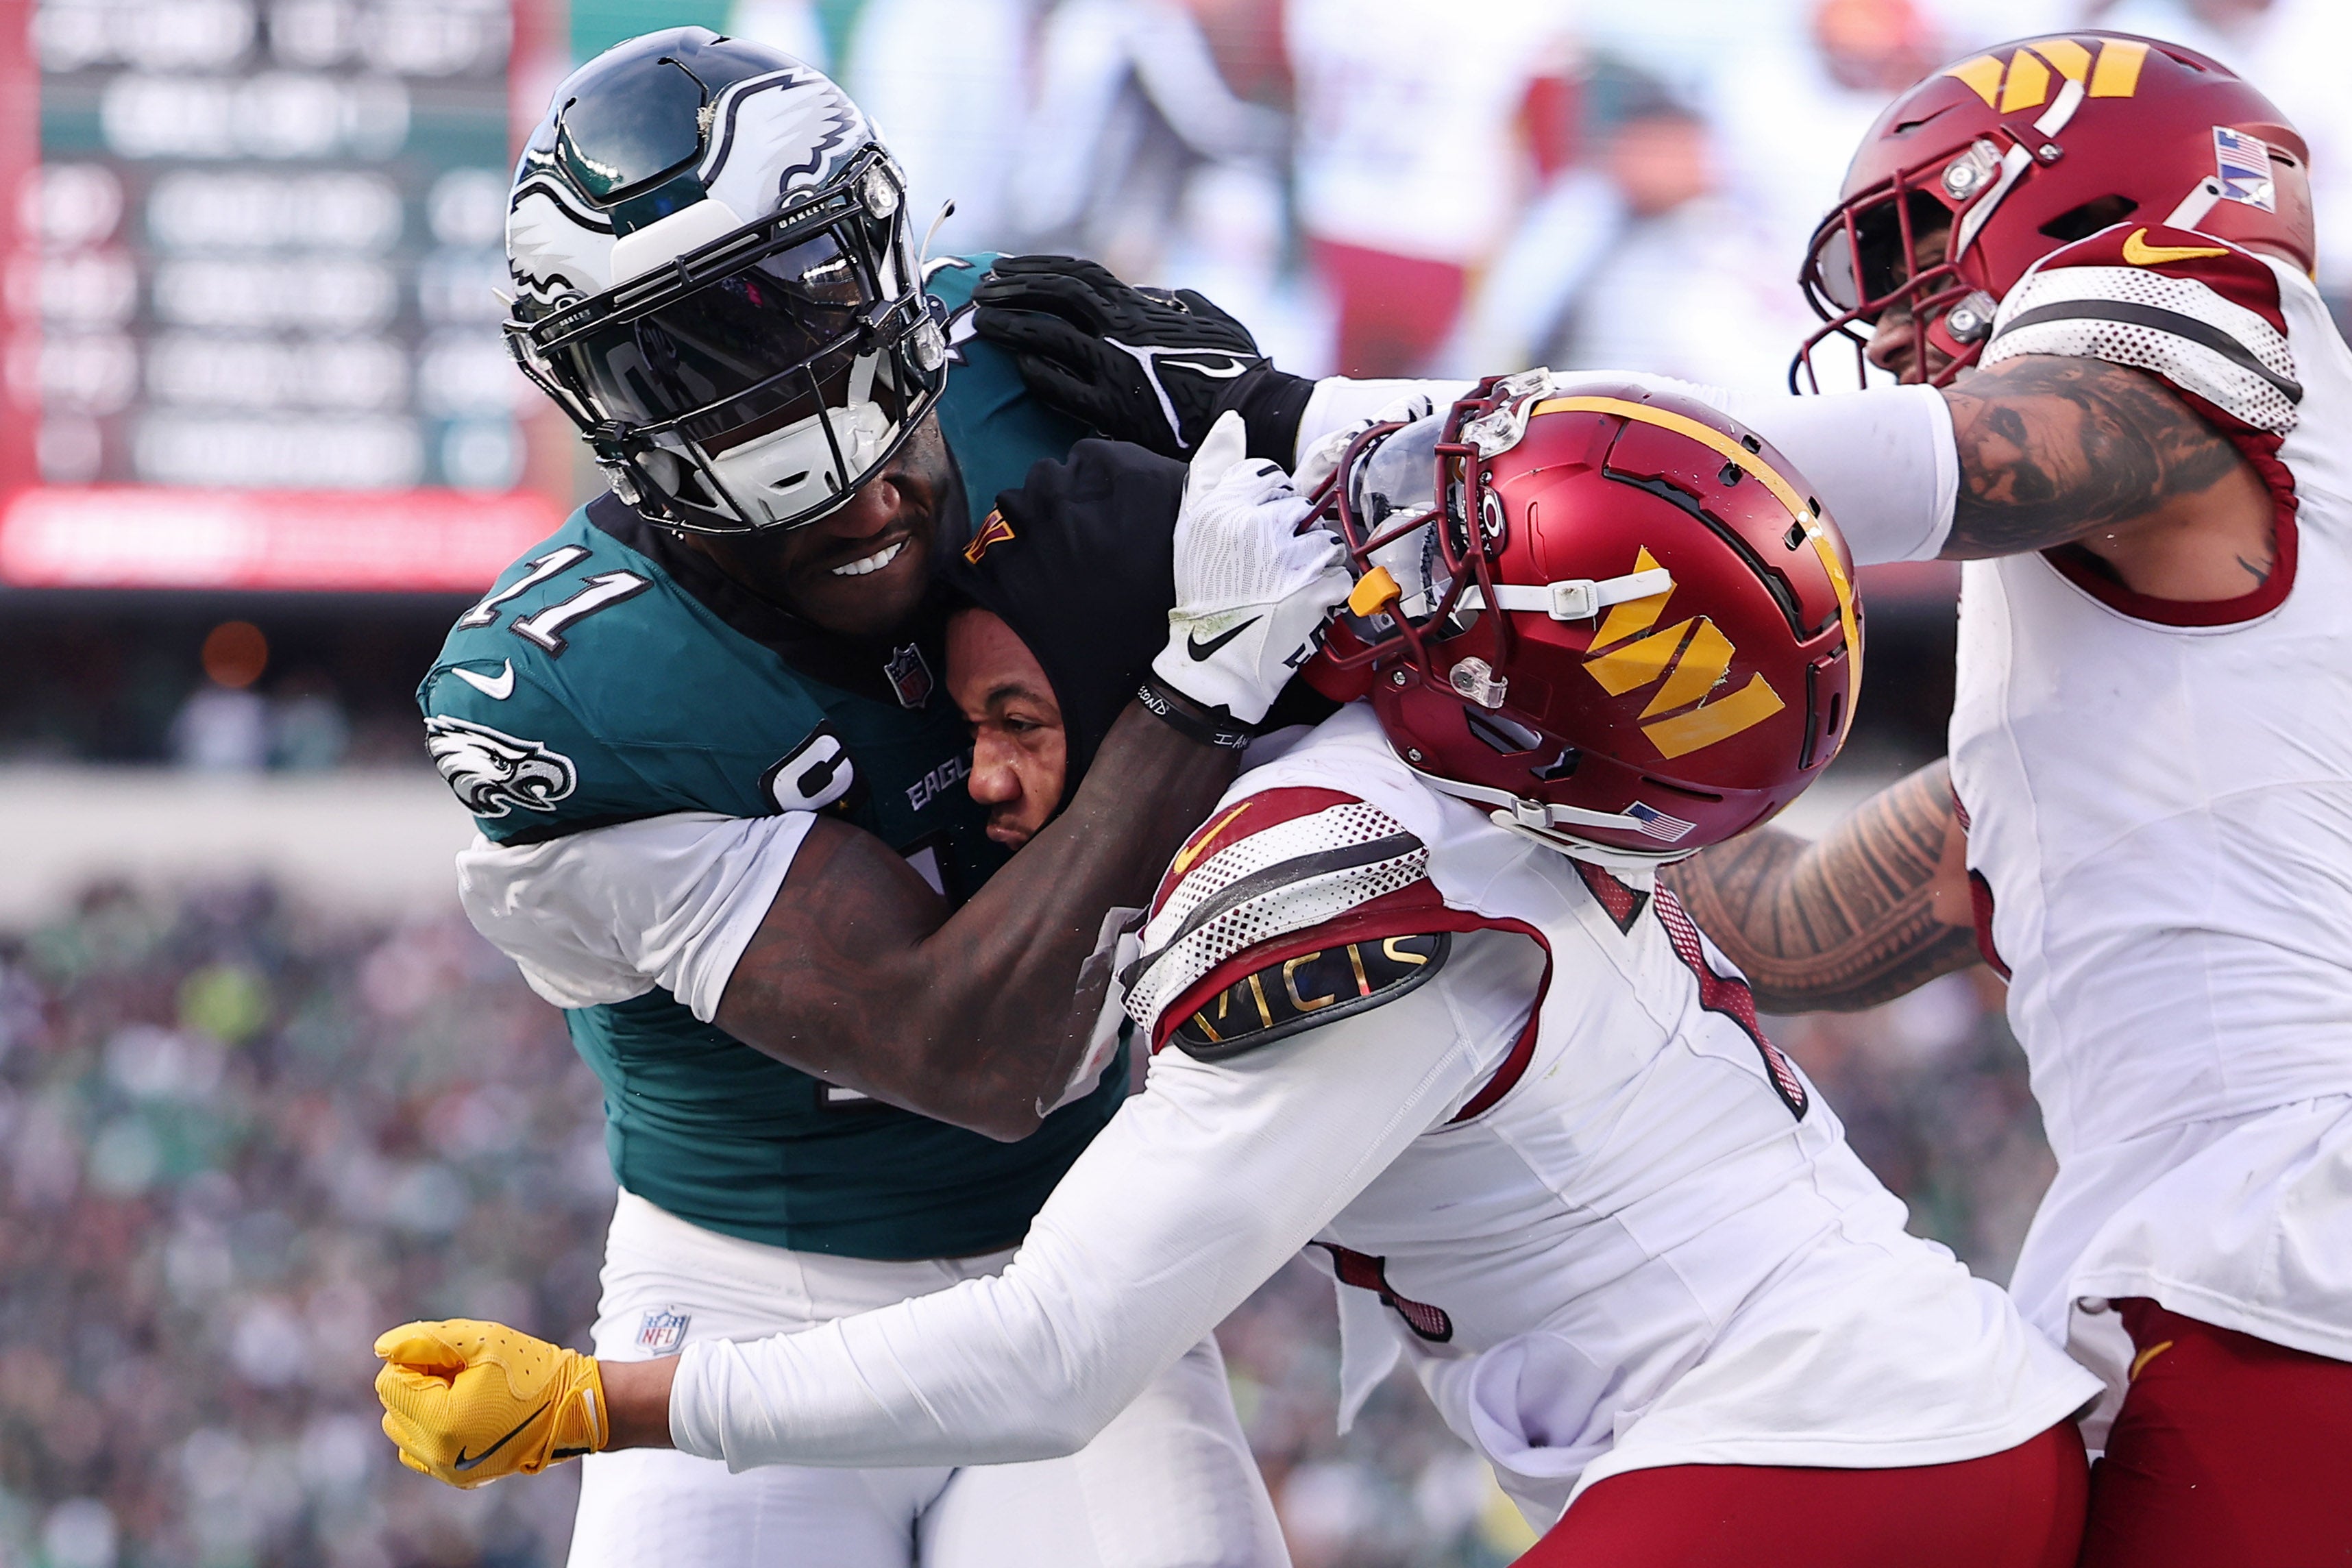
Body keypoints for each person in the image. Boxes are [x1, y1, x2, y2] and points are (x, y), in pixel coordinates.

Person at [976, 31, 2352, 1566]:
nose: (1887, 322)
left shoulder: (2233, 320)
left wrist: (1321, 421)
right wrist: (1498, 749)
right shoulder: (2152, 722)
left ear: (2083, 194)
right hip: (2232, 1272)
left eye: (1905, 245)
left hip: (2283, 1262)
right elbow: (1793, 924)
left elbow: (1887, 470)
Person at [373, 383, 2102, 1567]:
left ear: (1140, 683)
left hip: (1812, 1455)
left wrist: (607, 1401)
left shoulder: (1316, 874)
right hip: (1909, 1424)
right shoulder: (1421, 750)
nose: (983, 784)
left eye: (1016, 717)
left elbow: (1051, 1354)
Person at [422, 29, 1334, 1567]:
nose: (867, 506)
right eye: (794, 505)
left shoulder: (1038, 367)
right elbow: (976, 1055)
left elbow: (1454, 482)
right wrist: (1198, 697)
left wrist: (1288, 415)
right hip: (745, 1293)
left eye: (890, 457)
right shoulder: (576, 688)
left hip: (1077, 1264)